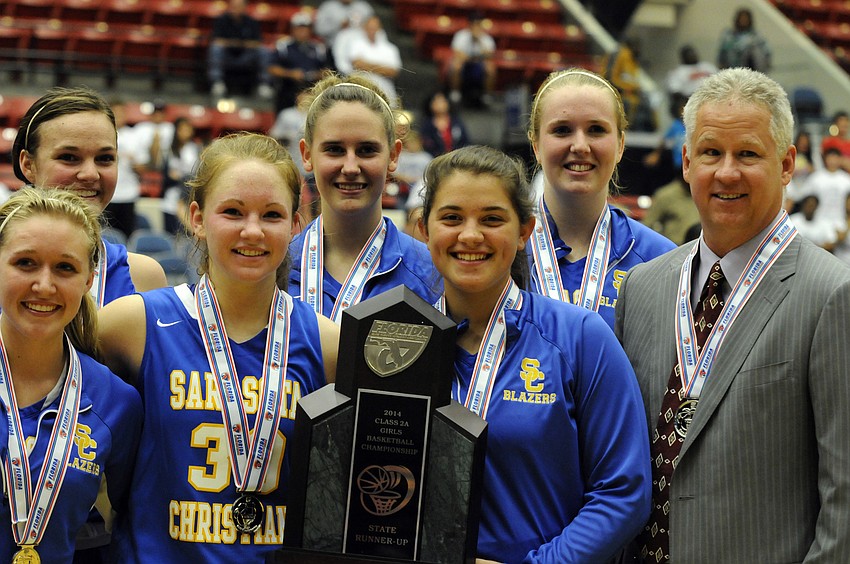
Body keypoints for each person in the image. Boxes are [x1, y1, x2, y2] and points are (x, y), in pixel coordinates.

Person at [615, 67, 850, 562]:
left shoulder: (832, 294)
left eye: (747, 154)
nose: (726, 172)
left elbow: (844, 498)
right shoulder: (643, 287)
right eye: (710, 153)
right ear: (685, 161)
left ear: (787, 164)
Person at [99, 133, 340, 561]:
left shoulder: (326, 341)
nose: (252, 230)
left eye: (271, 215)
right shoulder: (135, 323)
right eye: (232, 212)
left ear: (296, 224)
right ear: (196, 217)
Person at [418, 145, 650, 562]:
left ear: (524, 231)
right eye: (452, 218)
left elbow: (624, 491)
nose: (470, 236)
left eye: (492, 219)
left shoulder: (579, 337)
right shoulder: (398, 343)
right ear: (424, 228)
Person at [0, 188, 142, 562]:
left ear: (89, 279)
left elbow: (125, 522)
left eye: (65, 267)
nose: (44, 286)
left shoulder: (116, 401)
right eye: (25, 263)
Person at [525, 68, 675, 330]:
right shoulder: (500, 251)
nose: (580, 146)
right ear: (536, 145)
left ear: (620, 145)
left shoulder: (662, 261)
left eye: (596, 130)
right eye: (562, 130)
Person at [290, 74, 441, 323]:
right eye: (335, 149)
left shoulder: (431, 273)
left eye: (367, 150)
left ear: (393, 155)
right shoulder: (276, 268)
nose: (350, 167)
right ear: (306, 155)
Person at [12, 86, 167, 305]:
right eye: (69, 157)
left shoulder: (143, 278)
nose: (90, 174)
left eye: (104, 159)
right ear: (28, 165)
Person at [208, 0, 274, 100]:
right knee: (215, 49)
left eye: (238, 6)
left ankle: (264, 85)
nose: (235, 9)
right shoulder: (222, 20)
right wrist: (237, 43)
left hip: (245, 57)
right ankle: (217, 83)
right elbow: (216, 41)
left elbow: (257, 43)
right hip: (227, 56)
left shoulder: (251, 22)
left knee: (263, 51)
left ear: (244, 7)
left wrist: (237, 43)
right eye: (233, 6)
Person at [268, 11, 331, 114]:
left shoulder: (319, 48)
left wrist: (316, 74)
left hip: (311, 88)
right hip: (288, 88)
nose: (302, 31)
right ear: (293, 29)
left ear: (310, 30)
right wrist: (290, 74)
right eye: (299, 28)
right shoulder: (283, 46)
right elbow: (272, 68)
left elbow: (327, 70)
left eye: (305, 28)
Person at [344, 15, 402, 107]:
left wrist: (367, 65)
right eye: (370, 28)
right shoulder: (356, 44)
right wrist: (382, 68)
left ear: (380, 29)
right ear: (364, 28)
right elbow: (357, 64)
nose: (372, 30)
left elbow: (393, 71)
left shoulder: (391, 49)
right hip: (361, 91)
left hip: (386, 92)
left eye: (375, 28)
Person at [161, 116, 202, 235]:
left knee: (186, 237)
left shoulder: (194, 149)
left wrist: (181, 177)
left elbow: (195, 175)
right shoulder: (169, 150)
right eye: (182, 129)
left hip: (186, 198)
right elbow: (166, 175)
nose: (185, 132)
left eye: (187, 129)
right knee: (170, 235)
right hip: (170, 199)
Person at [447, 11, 496, 108]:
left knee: (490, 67)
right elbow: (457, 53)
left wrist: (478, 40)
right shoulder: (461, 36)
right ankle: (455, 93)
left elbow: (489, 55)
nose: (476, 27)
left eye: (478, 24)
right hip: (465, 64)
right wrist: (472, 58)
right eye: (474, 24)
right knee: (456, 65)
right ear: (470, 24)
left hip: (479, 65)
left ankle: (487, 95)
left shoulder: (486, 38)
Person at [802, 146, 850, 230]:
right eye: (830, 158)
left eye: (835, 158)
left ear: (840, 159)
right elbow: (806, 198)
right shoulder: (816, 178)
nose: (833, 161)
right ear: (825, 159)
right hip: (818, 220)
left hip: (840, 221)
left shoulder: (846, 179)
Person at [418, 89, 471, 157]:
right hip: (433, 158)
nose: (440, 105)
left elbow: (465, 141)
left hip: (457, 157)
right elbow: (425, 143)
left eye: (442, 101)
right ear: (430, 105)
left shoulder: (457, 122)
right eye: (436, 102)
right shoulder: (427, 124)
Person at [717, 7, 771, 72]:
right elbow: (721, 53)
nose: (743, 20)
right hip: (730, 71)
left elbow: (766, 54)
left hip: (750, 73)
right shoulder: (728, 35)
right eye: (741, 18)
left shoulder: (756, 36)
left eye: (746, 18)